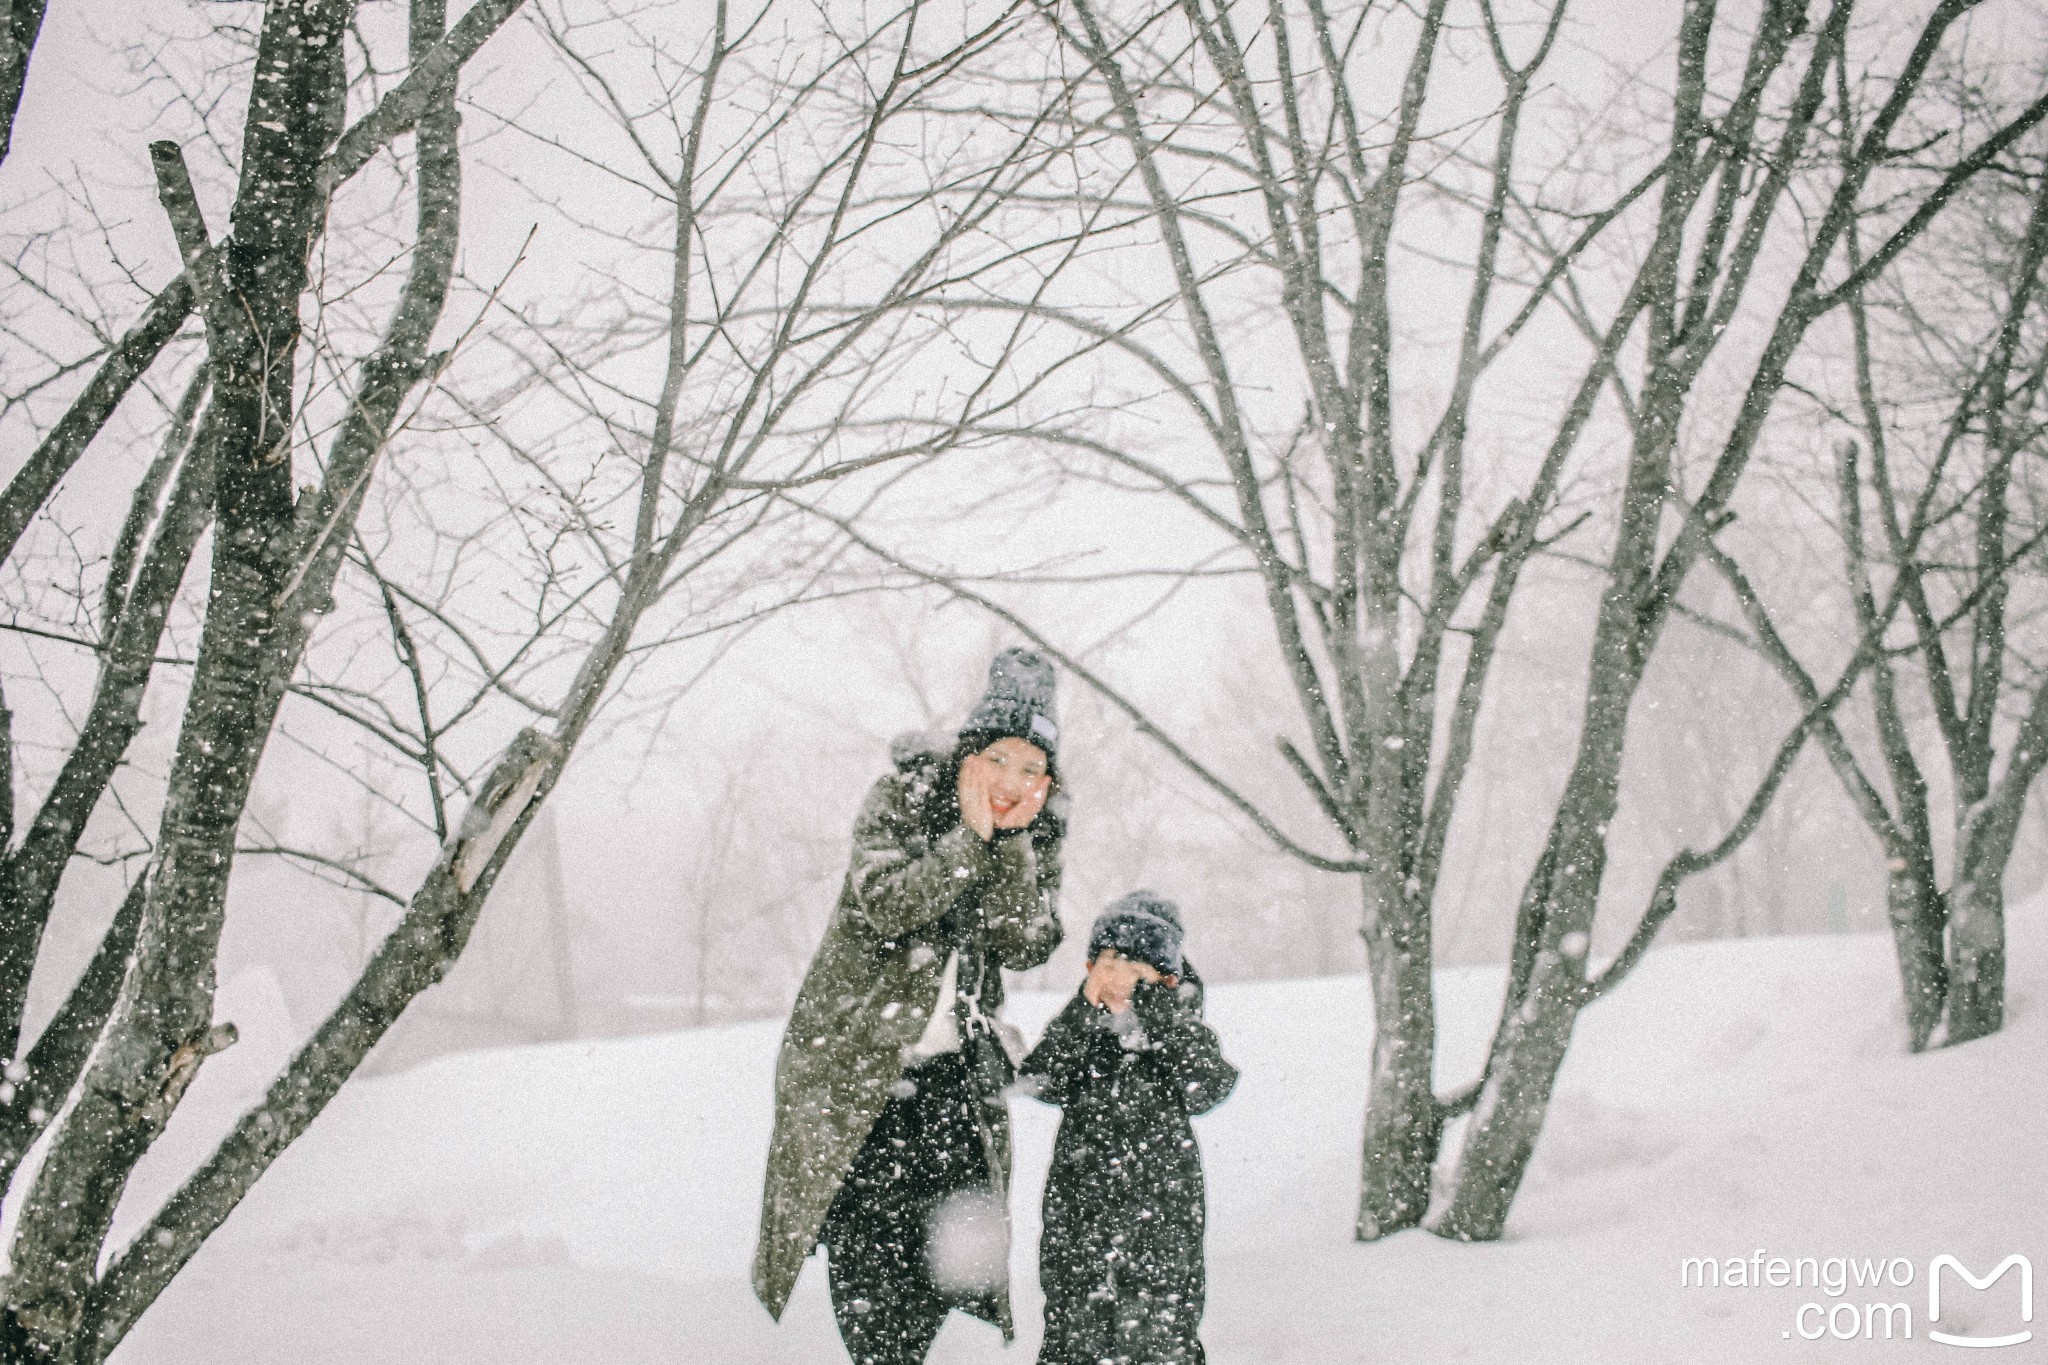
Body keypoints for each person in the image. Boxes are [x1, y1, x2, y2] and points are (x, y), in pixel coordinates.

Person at [754, 647, 1066, 1365]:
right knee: (869, 1268)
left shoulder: (1033, 828)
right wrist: (971, 837)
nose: (1014, 780)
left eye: (1032, 769)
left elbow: (1023, 939)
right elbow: (890, 903)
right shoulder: (898, 799)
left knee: (950, 1267)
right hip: (862, 1072)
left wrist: (1014, 839)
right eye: (1000, 759)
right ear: (968, 755)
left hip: (951, 1088)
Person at [1021, 890, 1238, 1365]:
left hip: (1162, 1216)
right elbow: (1039, 1079)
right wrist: (1084, 1009)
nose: (1116, 978)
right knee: (1073, 1335)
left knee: (1161, 1336)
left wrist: (1151, 1011)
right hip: (1078, 1215)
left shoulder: (1178, 1024)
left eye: (1131, 966)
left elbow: (1209, 1084)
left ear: (1163, 975)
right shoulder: (1083, 1028)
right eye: (1105, 964)